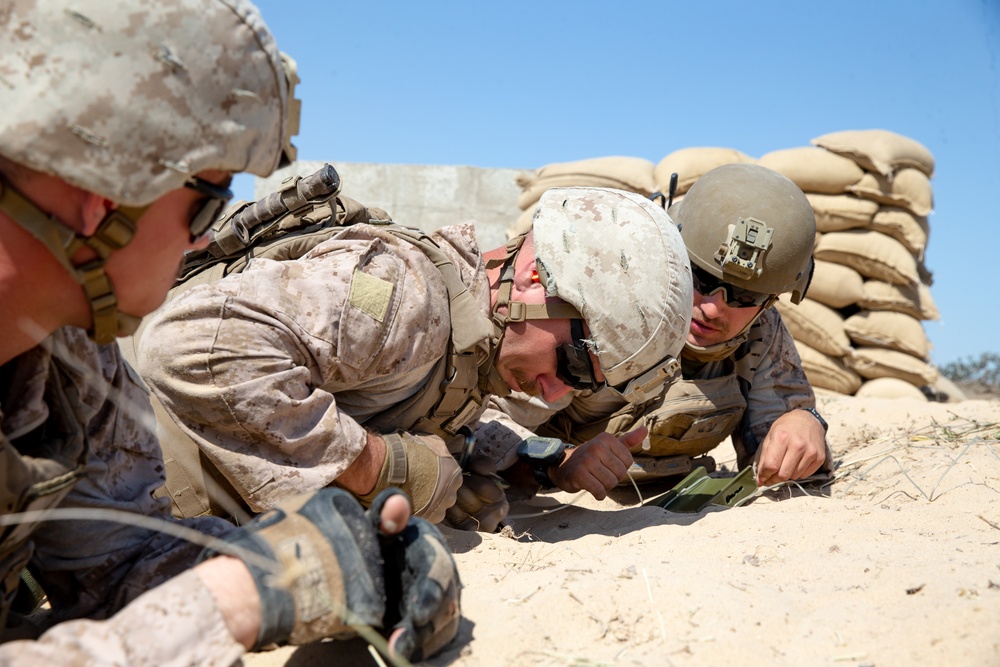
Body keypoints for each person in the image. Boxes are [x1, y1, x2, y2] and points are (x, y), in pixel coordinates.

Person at [0, 0, 459, 662]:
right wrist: (236, 601)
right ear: (108, 191)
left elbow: (121, 559)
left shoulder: (62, 357)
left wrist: (332, 561)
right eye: (209, 198)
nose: (207, 236)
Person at [134, 183, 693, 532]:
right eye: (571, 365)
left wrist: (525, 466)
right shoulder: (403, 294)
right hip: (119, 505)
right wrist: (373, 467)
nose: (555, 394)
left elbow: (411, 415)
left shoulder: (472, 345)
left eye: (581, 386)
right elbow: (188, 344)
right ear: (530, 279)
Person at [477, 163, 833, 501]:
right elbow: (481, 421)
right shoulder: (614, 311)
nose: (712, 307)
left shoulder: (758, 332)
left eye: (743, 297)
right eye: (701, 279)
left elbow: (776, 451)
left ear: (769, 302)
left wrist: (805, 422)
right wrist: (559, 462)